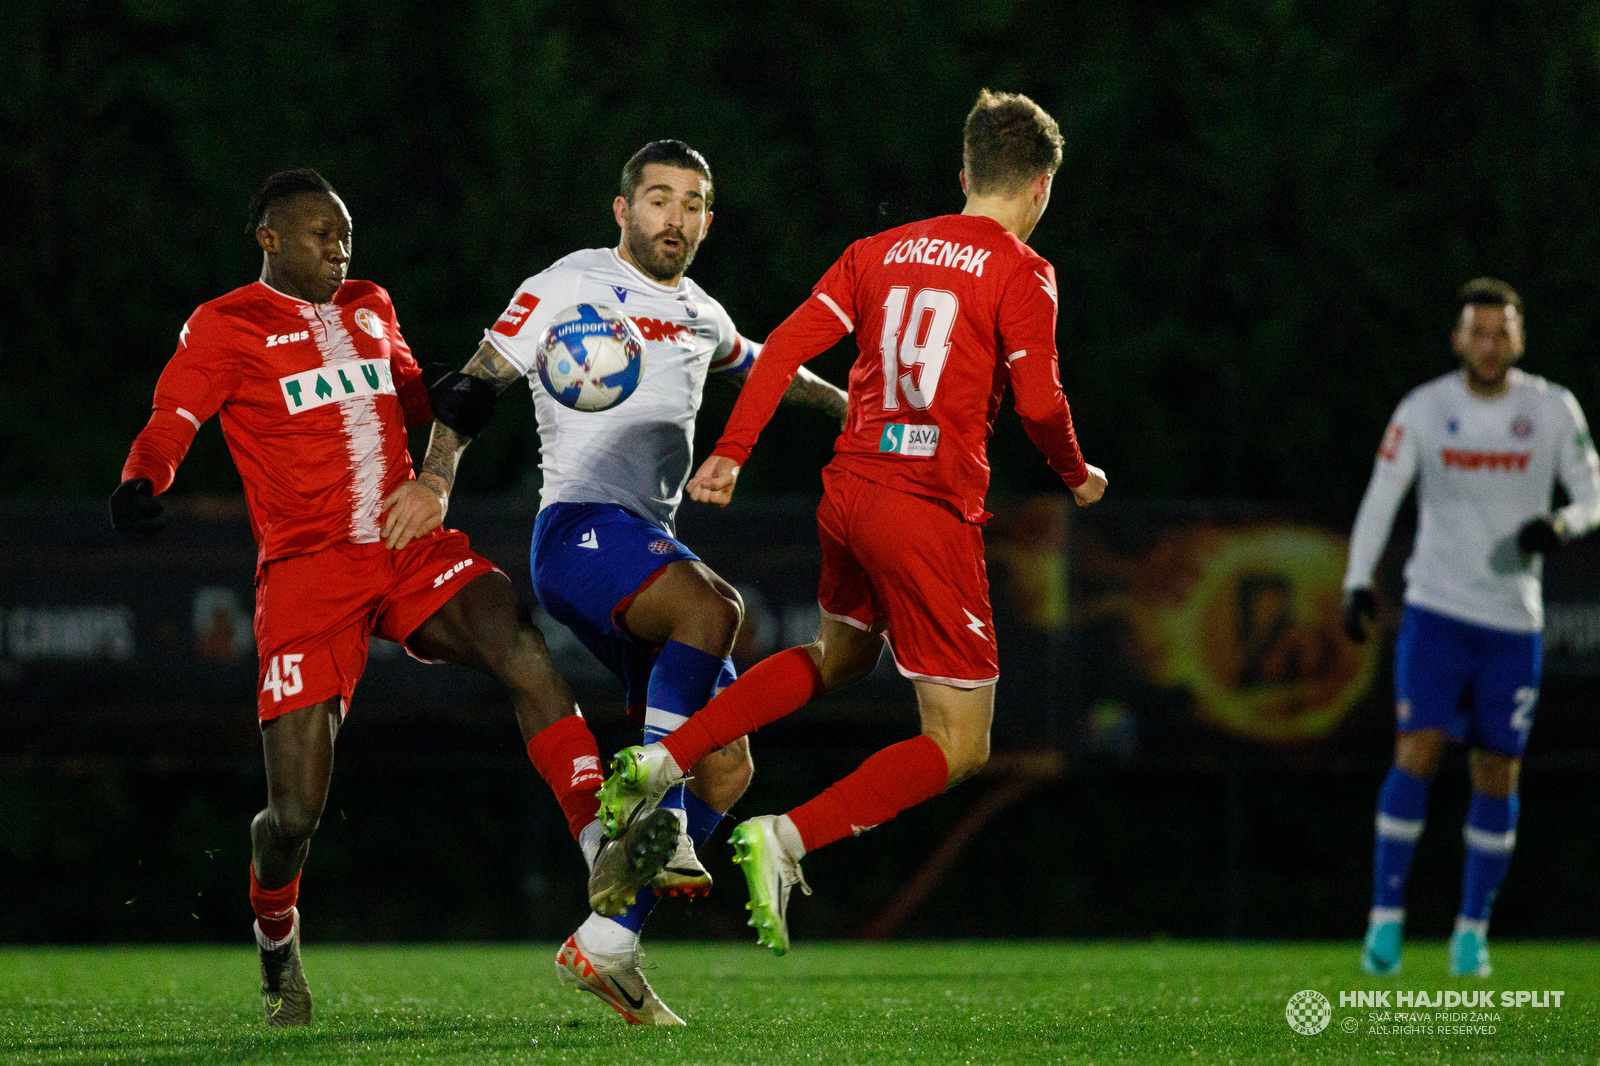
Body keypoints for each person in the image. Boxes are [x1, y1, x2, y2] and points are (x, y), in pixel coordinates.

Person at [109, 169, 679, 1029]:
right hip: (307, 572)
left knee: (513, 634)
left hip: (404, 542)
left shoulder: (373, 303)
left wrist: (459, 390)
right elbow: (172, 418)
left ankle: (601, 844)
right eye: (320, 236)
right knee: (294, 814)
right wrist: (142, 478)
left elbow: (414, 392)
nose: (341, 250)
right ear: (268, 239)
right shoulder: (226, 324)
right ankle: (276, 937)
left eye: (346, 236)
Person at [593, 90, 1107, 955]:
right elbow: (1041, 402)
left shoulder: (878, 250)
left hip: (850, 494)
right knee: (960, 743)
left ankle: (663, 759)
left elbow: (786, 346)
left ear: (964, 174)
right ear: (1042, 186)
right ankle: (785, 839)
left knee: (840, 656)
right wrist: (1075, 473)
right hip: (925, 512)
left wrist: (733, 451)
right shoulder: (1023, 270)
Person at [382, 141, 848, 1022]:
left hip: (643, 550)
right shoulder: (568, 283)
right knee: (715, 606)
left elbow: (773, 373)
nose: (675, 217)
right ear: (622, 210)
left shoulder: (703, 313)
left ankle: (607, 944)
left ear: (709, 219)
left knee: (730, 765)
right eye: (659, 199)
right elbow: (476, 386)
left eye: (693, 203)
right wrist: (437, 478)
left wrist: (857, 406)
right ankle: (645, 805)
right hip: (578, 536)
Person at [1343, 278, 1600, 977]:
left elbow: (1591, 491)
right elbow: (1381, 497)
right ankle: (1386, 921)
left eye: (1501, 333)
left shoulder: (1551, 409)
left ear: (1518, 338)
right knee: (1417, 750)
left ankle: (1470, 934)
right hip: (1437, 610)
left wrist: (1562, 524)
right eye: (1477, 332)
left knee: (1497, 770)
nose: (1489, 345)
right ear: (1459, 337)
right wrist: (1356, 580)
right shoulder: (1425, 410)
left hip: (1512, 620)